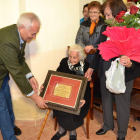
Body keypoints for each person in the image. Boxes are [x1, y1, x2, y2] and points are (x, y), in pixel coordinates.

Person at [85, 0, 140, 140]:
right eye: (105, 15)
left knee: (122, 104)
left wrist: (130, 63)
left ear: (119, 13)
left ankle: (122, 133)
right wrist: (92, 68)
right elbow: (99, 51)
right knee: (106, 99)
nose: (106, 18)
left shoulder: (133, 28)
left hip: (125, 72)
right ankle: (107, 125)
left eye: (108, 15)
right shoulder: (105, 28)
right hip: (105, 70)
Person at [0, 12, 48, 140]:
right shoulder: (8, 42)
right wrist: (35, 97)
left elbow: (19, 58)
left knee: (7, 100)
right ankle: (9, 137)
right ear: (22, 27)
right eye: (33, 34)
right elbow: (16, 72)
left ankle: (11, 125)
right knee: (2, 108)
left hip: (2, 74)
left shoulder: (20, 35)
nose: (34, 37)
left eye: (36, 34)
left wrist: (30, 76)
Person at [40, 44, 91, 140]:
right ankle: (62, 130)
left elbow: (87, 86)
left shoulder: (86, 66)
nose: (71, 60)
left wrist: (84, 99)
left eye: (75, 57)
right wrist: (46, 85)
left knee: (75, 106)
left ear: (80, 57)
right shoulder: (64, 62)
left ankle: (73, 130)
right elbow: (55, 77)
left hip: (79, 94)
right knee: (60, 103)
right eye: (70, 56)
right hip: (64, 92)